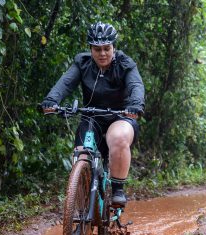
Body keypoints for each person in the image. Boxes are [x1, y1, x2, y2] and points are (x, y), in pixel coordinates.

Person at [40, 22, 145, 207]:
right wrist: (51, 100)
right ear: (90, 48)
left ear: (114, 47)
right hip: (91, 117)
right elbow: (65, 83)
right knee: (81, 154)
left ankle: (118, 189)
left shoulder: (125, 64)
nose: (102, 53)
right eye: (97, 49)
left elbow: (136, 85)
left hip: (120, 116)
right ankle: (80, 204)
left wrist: (135, 105)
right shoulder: (82, 63)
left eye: (106, 48)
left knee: (118, 137)